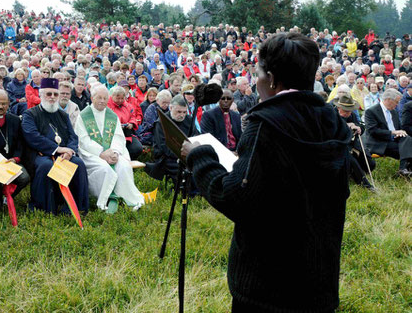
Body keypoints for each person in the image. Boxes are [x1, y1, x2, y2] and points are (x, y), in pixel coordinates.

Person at [181, 32, 351, 313]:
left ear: (271, 79)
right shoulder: (333, 121)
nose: (256, 79)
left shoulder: (267, 124)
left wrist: (199, 158)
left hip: (268, 287)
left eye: (258, 72)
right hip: (318, 279)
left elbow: (235, 197)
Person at [21, 78, 89, 214]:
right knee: (46, 166)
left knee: (78, 163)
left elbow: (73, 136)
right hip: (40, 154)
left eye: (55, 94)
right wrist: (57, 149)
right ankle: (45, 207)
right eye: (49, 94)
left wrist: (70, 152)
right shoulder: (30, 114)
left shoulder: (63, 115)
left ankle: (75, 206)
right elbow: (32, 136)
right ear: (41, 95)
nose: (52, 97)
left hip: (64, 154)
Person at [74, 85, 144, 212]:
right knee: (105, 168)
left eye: (105, 98)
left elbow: (118, 136)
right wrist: (101, 153)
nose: (102, 101)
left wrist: (115, 152)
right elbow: (83, 140)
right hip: (92, 154)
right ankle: (106, 198)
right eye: (99, 97)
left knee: (123, 166)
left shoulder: (112, 116)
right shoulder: (83, 116)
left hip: (112, 153)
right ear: (92, 98)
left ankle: (126, 197)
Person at [147, 95, 199, 182]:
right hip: (168, 157)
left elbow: (196, 137)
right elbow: (164, 147)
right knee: (185, 173)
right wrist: (183, 156)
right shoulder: (161, 122)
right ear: (171, 108)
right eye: (179, 112)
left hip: (188, 154)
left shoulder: (189, 119)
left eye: (184, 112)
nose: (182, 115)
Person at [363, 88, 412, 176]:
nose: (397, 105)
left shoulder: (394, 112)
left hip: (395, 140)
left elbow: (399, 128)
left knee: (407, 139)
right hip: (380, 142)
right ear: (388, 100)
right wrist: (392, 133)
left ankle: (403, 169)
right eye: (396, 102)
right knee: (407, 148)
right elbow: (373, 131)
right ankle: (404, 168)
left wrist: (400, 133)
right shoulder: (371, 111)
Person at [333, 95, 376, 191]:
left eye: (350, 110)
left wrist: (359, 128)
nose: (348, 113)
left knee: (370, 163)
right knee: (351, 161)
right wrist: (346, 125)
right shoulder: (332, 115)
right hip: (337, 146)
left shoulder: (351, 115)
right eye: (345, 111)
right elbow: (332, 132)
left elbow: (360, 125)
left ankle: (352, 174)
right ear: (339, 107)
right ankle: (365, 185)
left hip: (352, 144)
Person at [107, 86, 143, 160]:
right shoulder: (107, 106)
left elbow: (133, 116)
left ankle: (130, 163)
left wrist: (131, 123)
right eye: (118, 98)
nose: (120, 100)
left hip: (127, 133)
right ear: (112, 96)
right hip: (112, 135)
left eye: (122, 98)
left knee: (137, 148)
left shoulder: (128, 106)